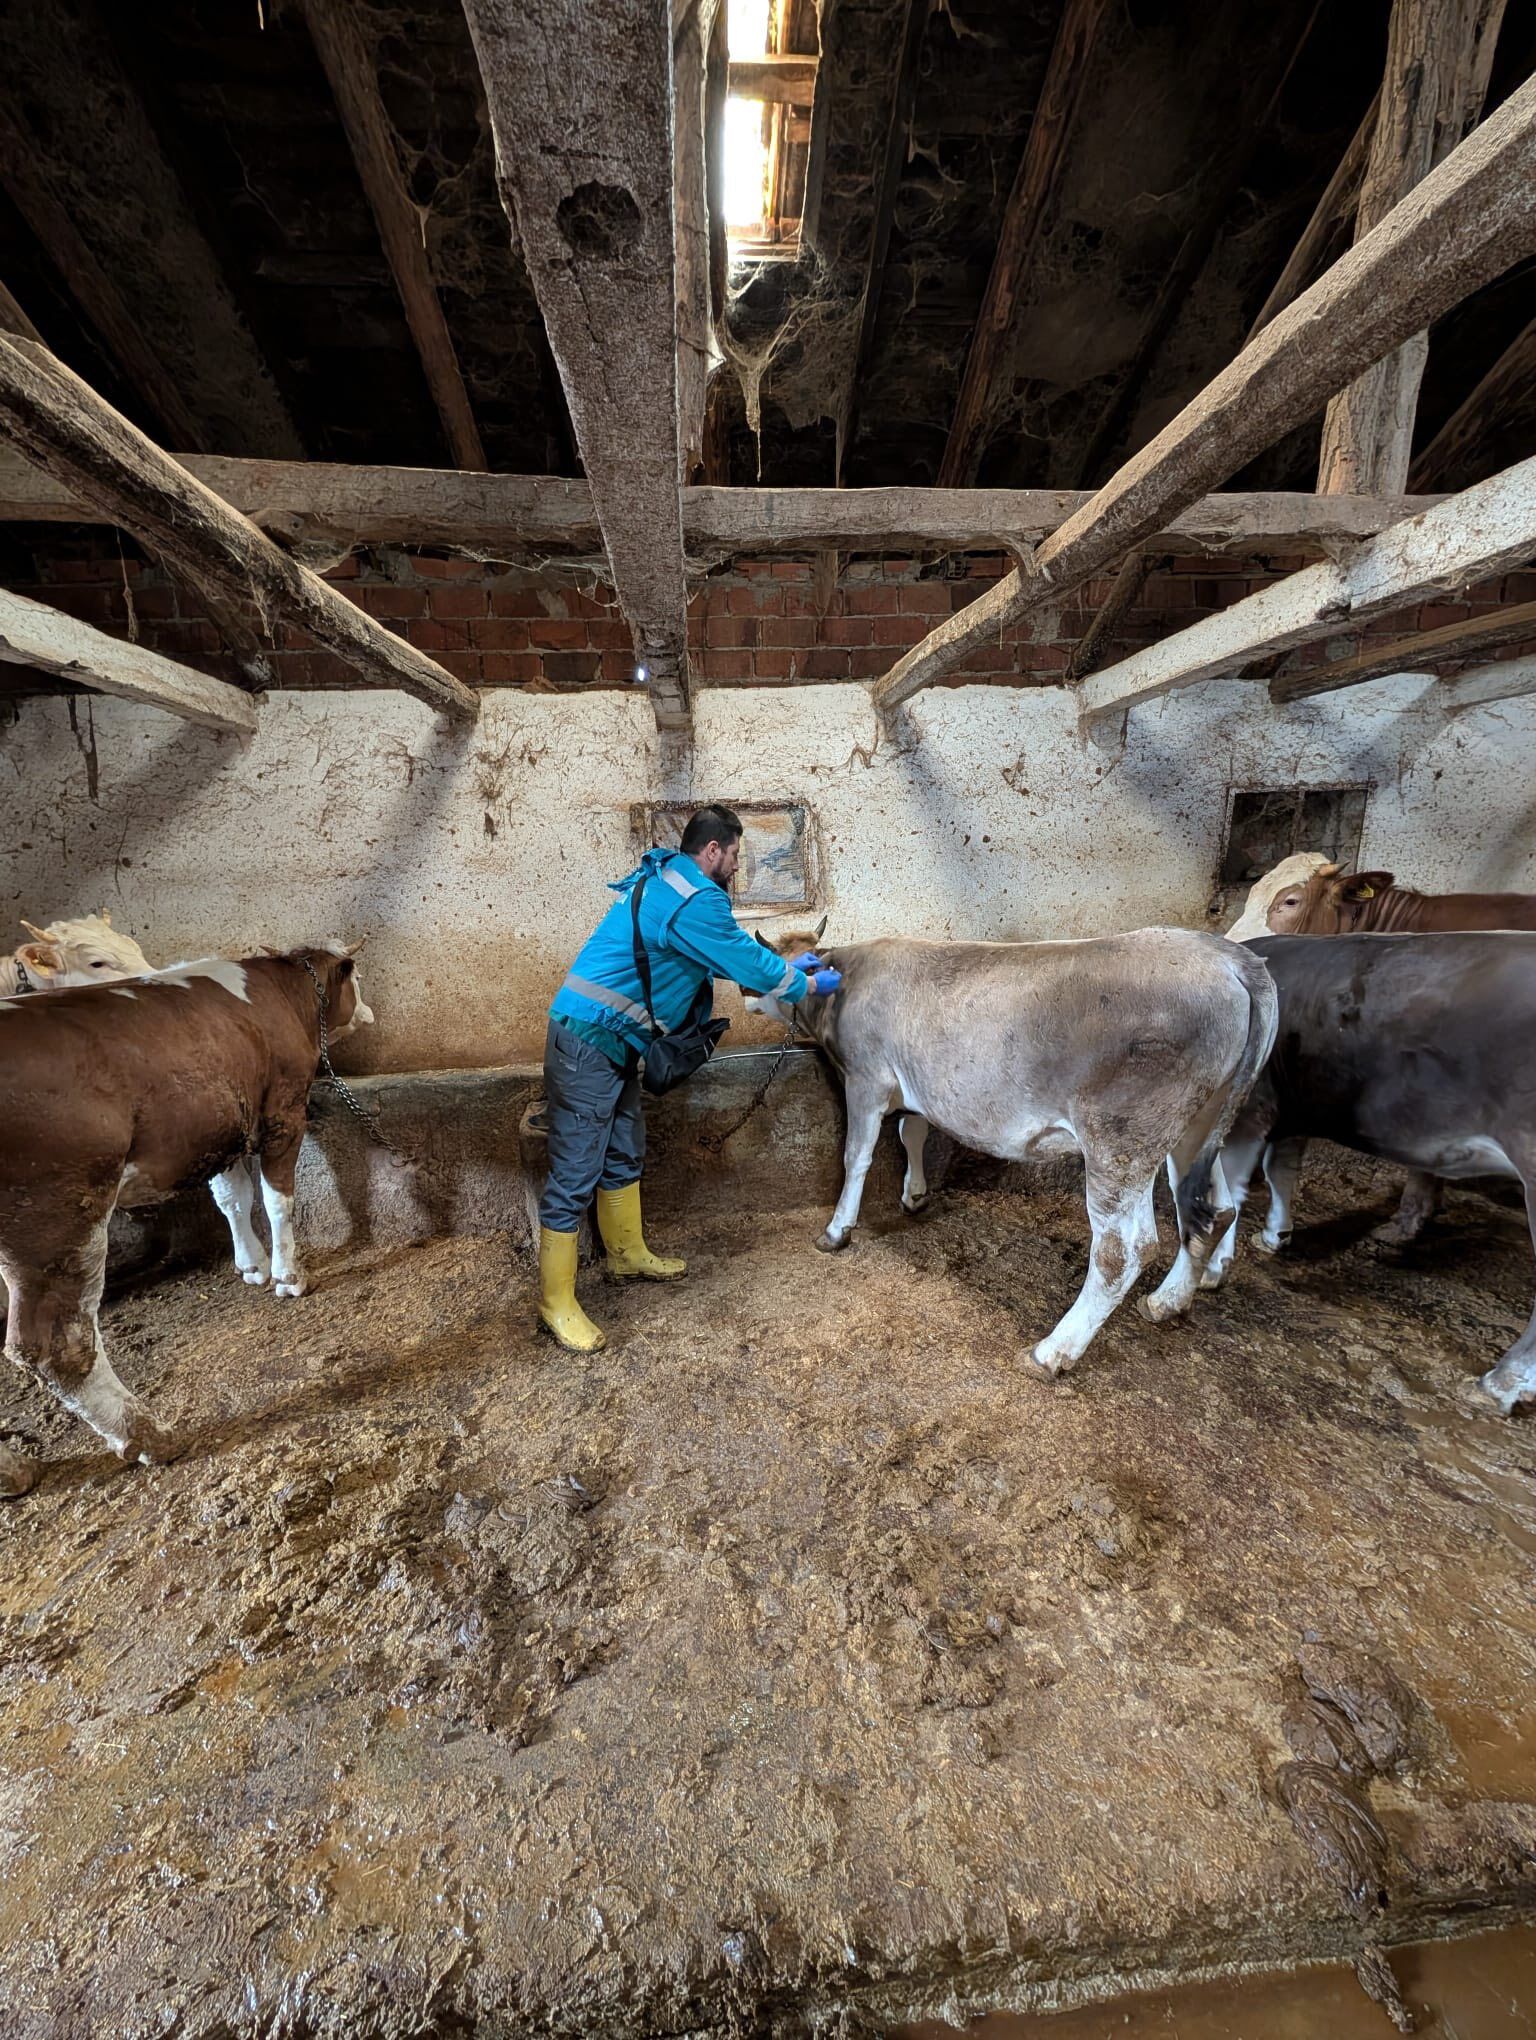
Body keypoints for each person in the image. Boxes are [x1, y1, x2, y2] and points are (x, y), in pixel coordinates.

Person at [537, 804, 841, 1351]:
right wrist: (805, 987)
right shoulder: (694, 897)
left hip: (607, 1042)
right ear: (713, 851)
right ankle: (556, 1303)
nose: (736, 865)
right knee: (576, 1171)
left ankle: (626, 1256)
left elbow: (729, 953)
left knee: (623, 1151)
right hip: (587, 1043)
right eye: (735, 855)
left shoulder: (669, 882)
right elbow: (743, 962)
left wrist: (791, 967)